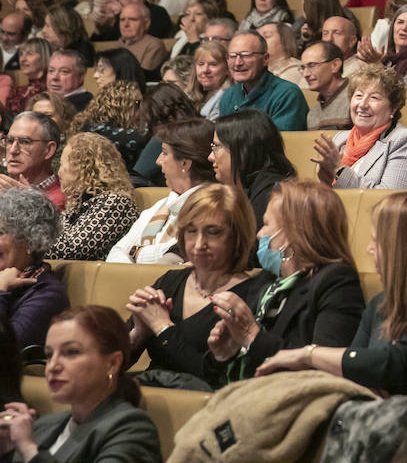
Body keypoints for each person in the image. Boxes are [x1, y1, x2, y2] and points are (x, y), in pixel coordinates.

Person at [255, 190, 407, 395]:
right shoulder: (380, 304)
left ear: (406, 250)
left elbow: (396, 363)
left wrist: (308, 354)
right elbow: (353, 374)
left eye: (378, 241)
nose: (369, 249)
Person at [199, 180, 366, 385]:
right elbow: (212, 375)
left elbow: (324, 370)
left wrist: (252, 336)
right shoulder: (265, 282)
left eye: (267, 224)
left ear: (293, 233)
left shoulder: (336, 283)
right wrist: (223, 355)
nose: (260, 234)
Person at [124, 184, 259, 389]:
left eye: (213, 233)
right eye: (191, 231)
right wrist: (139, 335)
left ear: (237, 238)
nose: (198, 244)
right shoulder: (170, 281)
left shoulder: (252, 294)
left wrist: (163, 328)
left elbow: (214, 378)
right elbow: (113, 364)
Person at [0, 305, 161, 462]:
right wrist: (8, 448)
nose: (52, 366)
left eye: (71, 352)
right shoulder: (44, 426)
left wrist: (28, 449)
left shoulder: (132, 429)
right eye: (49, 355)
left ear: (112, 363)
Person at [311, 64, 407, 190]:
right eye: (358, 96)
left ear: (393, 108)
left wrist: (338, 169)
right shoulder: (340, 138)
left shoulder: (405, 140)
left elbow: (391, 197)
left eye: (374, 97)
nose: (362, 104)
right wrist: (325, 181)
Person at [47, 133, 137, 262]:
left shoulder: (116, 203)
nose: (59, 172)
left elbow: (71, 250)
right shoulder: (79, 205)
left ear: (81, 167)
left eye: (62, 164)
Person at [0, 186, 67, 349]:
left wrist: (1, 290)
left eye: (1, 232)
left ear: (31, 241)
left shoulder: (48, 294)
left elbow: (5, 351)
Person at [210, 110, 296, 227]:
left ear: (242, 150)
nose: (210, 157)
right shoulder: (242, 188)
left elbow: (251, 243)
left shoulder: (270, 193)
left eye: (216, 146)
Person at [217, 31, 309, 132]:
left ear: (265, 59)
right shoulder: (229, 96)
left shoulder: (286, 94)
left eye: (246, 55)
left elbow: (282, 143)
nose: (238, 63)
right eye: (232, 56)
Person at [1, 112, 65, 210]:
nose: (13, 150)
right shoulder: (4, 189)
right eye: (10, 141)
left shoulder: (61, 200)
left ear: (48, 150)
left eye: (25, 142)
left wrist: (32, 202)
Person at [300, 41, 350, 131]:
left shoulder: (356, 97)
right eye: (303, 68)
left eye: (312, 65)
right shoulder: (312, 115)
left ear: (335, 65)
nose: (305, 74)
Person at [194, 41, 232, 121]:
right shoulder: (193, 93)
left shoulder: (230, 97)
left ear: (227, 69)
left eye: (213, 64)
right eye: (201, 64)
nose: (205, 70)